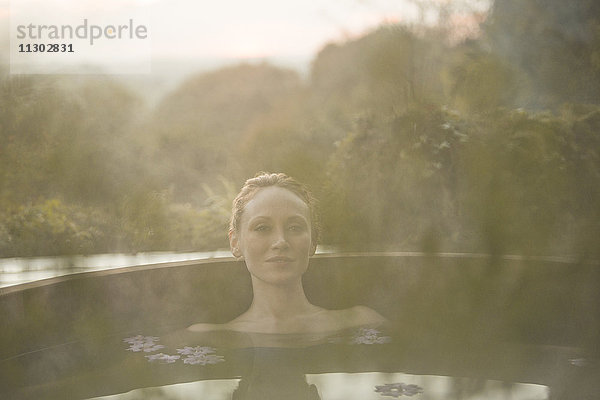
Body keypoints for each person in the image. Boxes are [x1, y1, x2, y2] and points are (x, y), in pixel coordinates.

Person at [188, 172, 385, 334]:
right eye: (262, 228)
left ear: (313, 242)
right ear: (235, 242)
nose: (280, 242)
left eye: (294, 227)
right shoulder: (208, 339)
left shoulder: (362, 323)